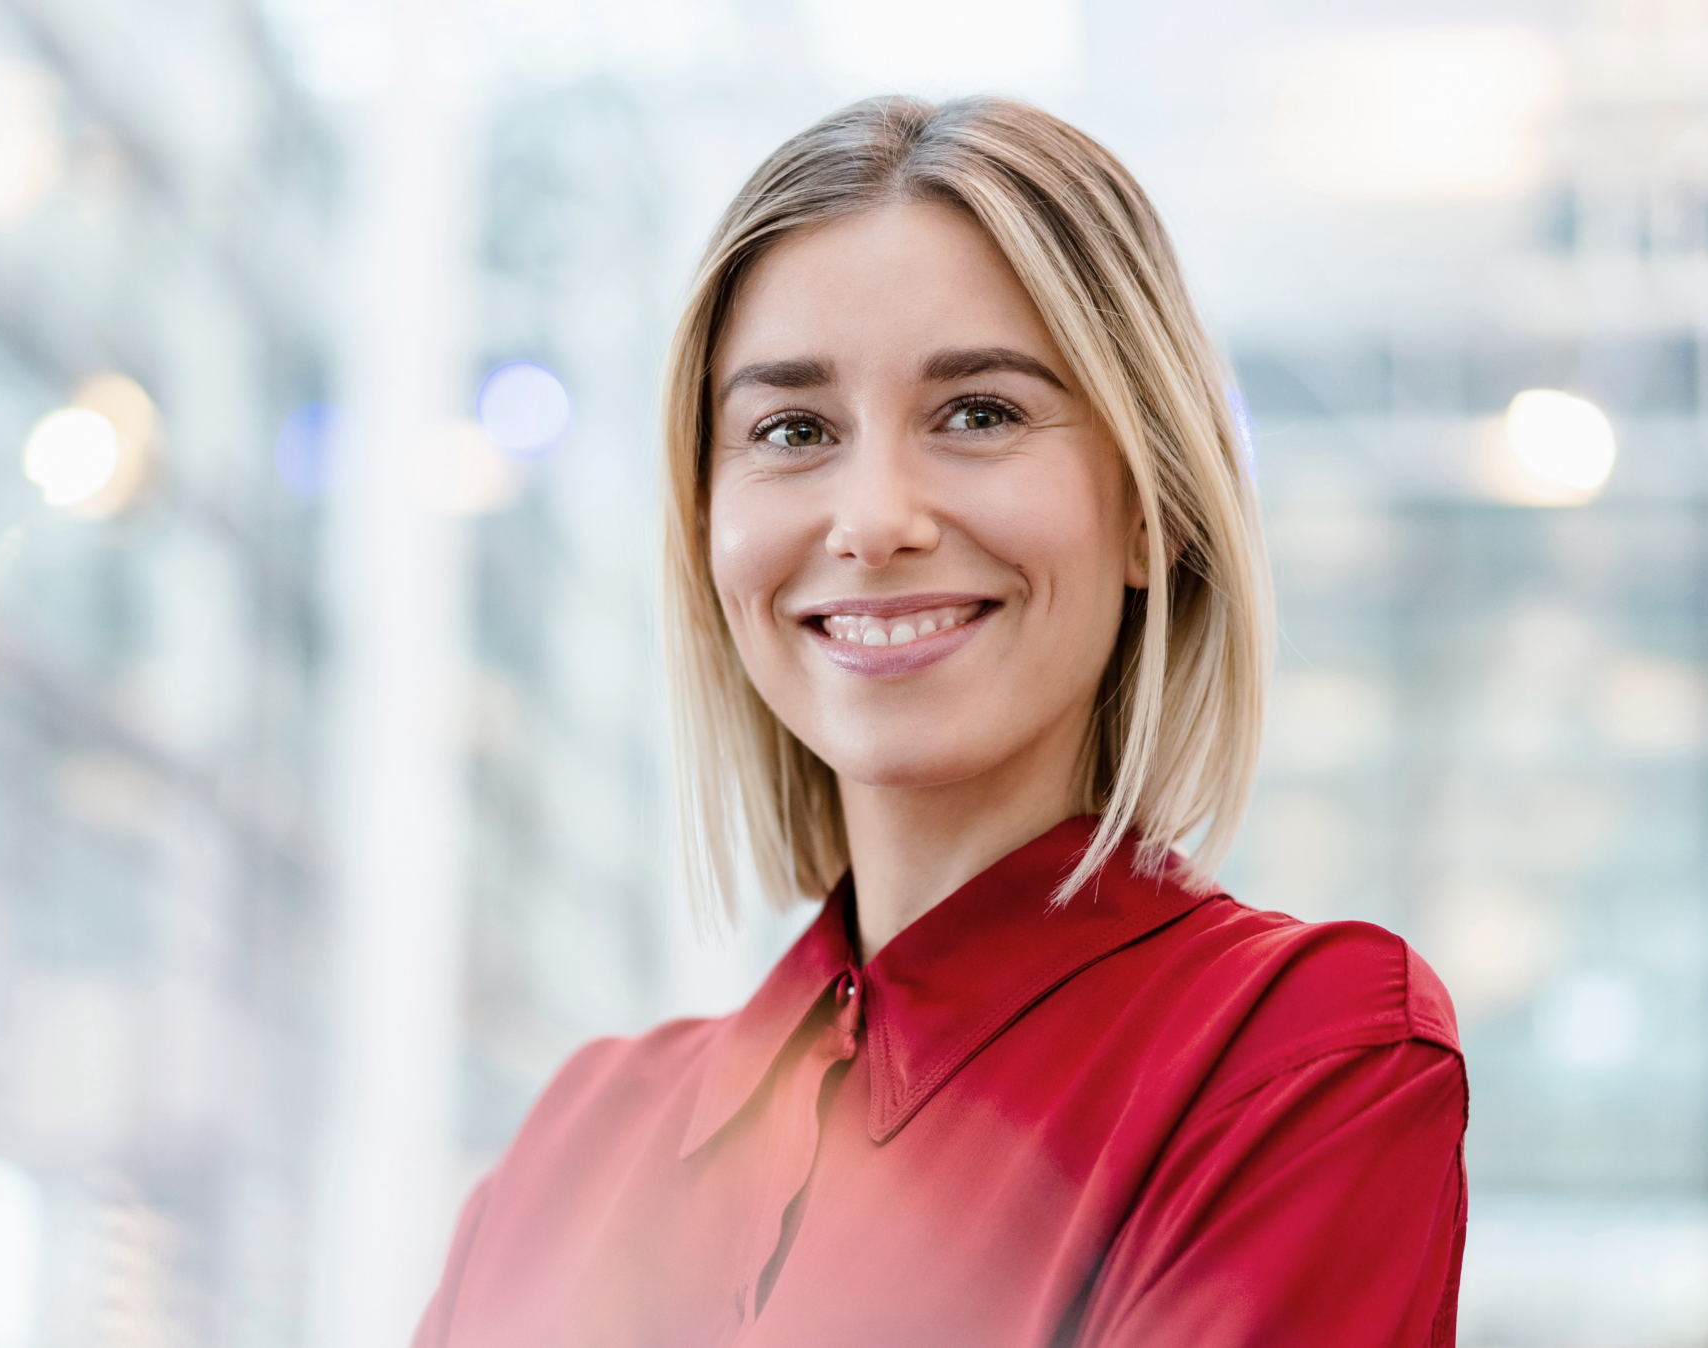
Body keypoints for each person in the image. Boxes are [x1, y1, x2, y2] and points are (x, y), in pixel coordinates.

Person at [414, 95, 1467, 1347]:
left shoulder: (1302, 1058)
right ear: (708, 530)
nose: (871, 519)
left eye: (979, 414)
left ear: (1152, 509)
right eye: (791, 430)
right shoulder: (568, 1150)